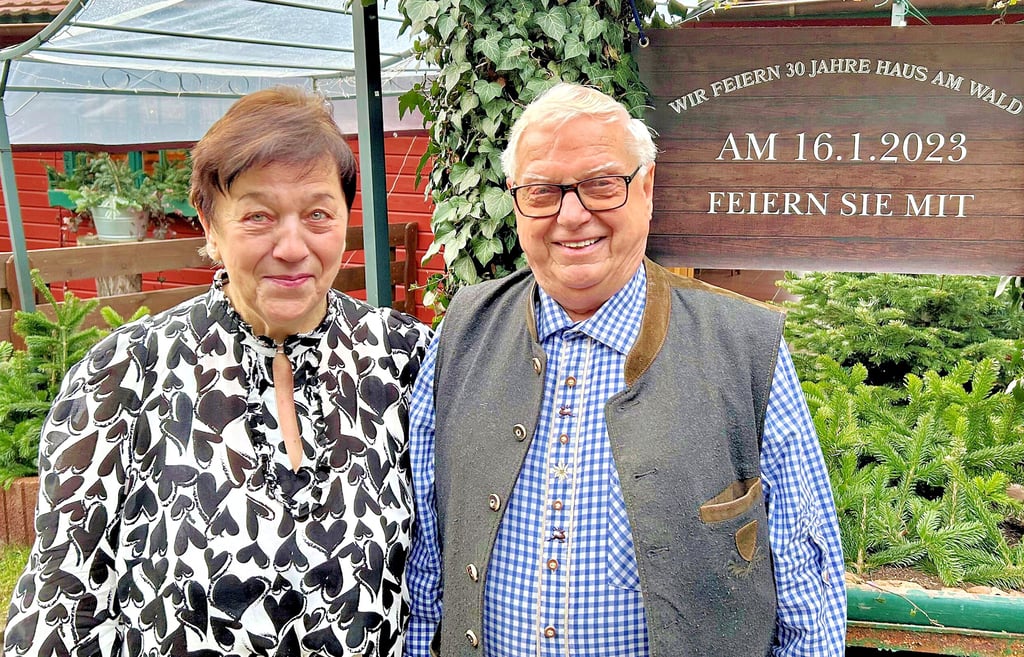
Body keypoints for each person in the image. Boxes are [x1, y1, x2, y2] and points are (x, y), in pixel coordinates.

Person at [404, 82, 846, 657]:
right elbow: (424, 566)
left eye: (601, 185)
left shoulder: (745, 348)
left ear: (647, 187)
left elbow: (806, 589)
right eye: (541, 192)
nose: (571, 216)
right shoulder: (461, 333)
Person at [4, 86, 431, 657]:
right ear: (209, 223)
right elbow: (58, 607)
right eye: (258, 215)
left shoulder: (404, 359)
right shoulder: (124, 375)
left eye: (318, 214)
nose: (292, 245)